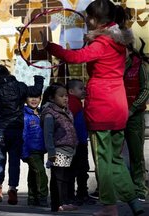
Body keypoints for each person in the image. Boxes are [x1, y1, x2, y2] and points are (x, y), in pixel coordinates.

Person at [42, 0, 144, 215]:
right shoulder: (118, 40)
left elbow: (75, 57)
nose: (86, 21)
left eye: (88, 18)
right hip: (118, 105)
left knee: (102, 161)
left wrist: (50, 46)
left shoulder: (101, 44)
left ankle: (109, 206)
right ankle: (134, 202)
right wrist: (94, 38)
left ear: (95, 20)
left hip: (102, 106)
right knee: (115, 158)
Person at [0, 64, 44, 205]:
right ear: (9, 73)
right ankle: (12, 188)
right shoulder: (21, 86)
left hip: (1, 129)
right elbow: (36, 90)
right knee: (14, 161)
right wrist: (38, 79)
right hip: (16, 129)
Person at [40, 83, 78, 212]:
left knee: (65, 177)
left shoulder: (66, 111)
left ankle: (61, 203)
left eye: (66, 95)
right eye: (61, 96)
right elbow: (48, 135)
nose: (65, 98)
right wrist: (51, 152)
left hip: (69, 150)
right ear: (52, 98)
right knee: (59, 178)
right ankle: (60, 203)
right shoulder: (50, 114)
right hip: (58, 150)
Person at [124, 42, 149, 202]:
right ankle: (115, 188)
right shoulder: (111, 64)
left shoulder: (139, 65)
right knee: (111, 155)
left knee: (136, 153)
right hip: (115, 113)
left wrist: (132, 109)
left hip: (134, 115)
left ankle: (139, 189)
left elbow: (146, 89)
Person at [66, 79, 95, 206]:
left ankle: (80, 194)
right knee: (77, 170)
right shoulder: (72, 103)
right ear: (71, 91)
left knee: (81, 170)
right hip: (76, 143)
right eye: (81, 89)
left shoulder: (77, 102)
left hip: (80, 141)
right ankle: (76, 195)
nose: (84, 91)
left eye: (84, 88)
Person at [22, 92, 48, 207]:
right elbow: (23, 135)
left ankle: (32, 197)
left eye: (37, 97)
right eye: (30, 97)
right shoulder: (24, 115)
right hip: (30, 150)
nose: (34, 100)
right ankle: (42, 197)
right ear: (25, 99)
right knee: (40, 172)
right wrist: (24, 152)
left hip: (40, 149)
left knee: (33, 173)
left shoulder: (41, 113)